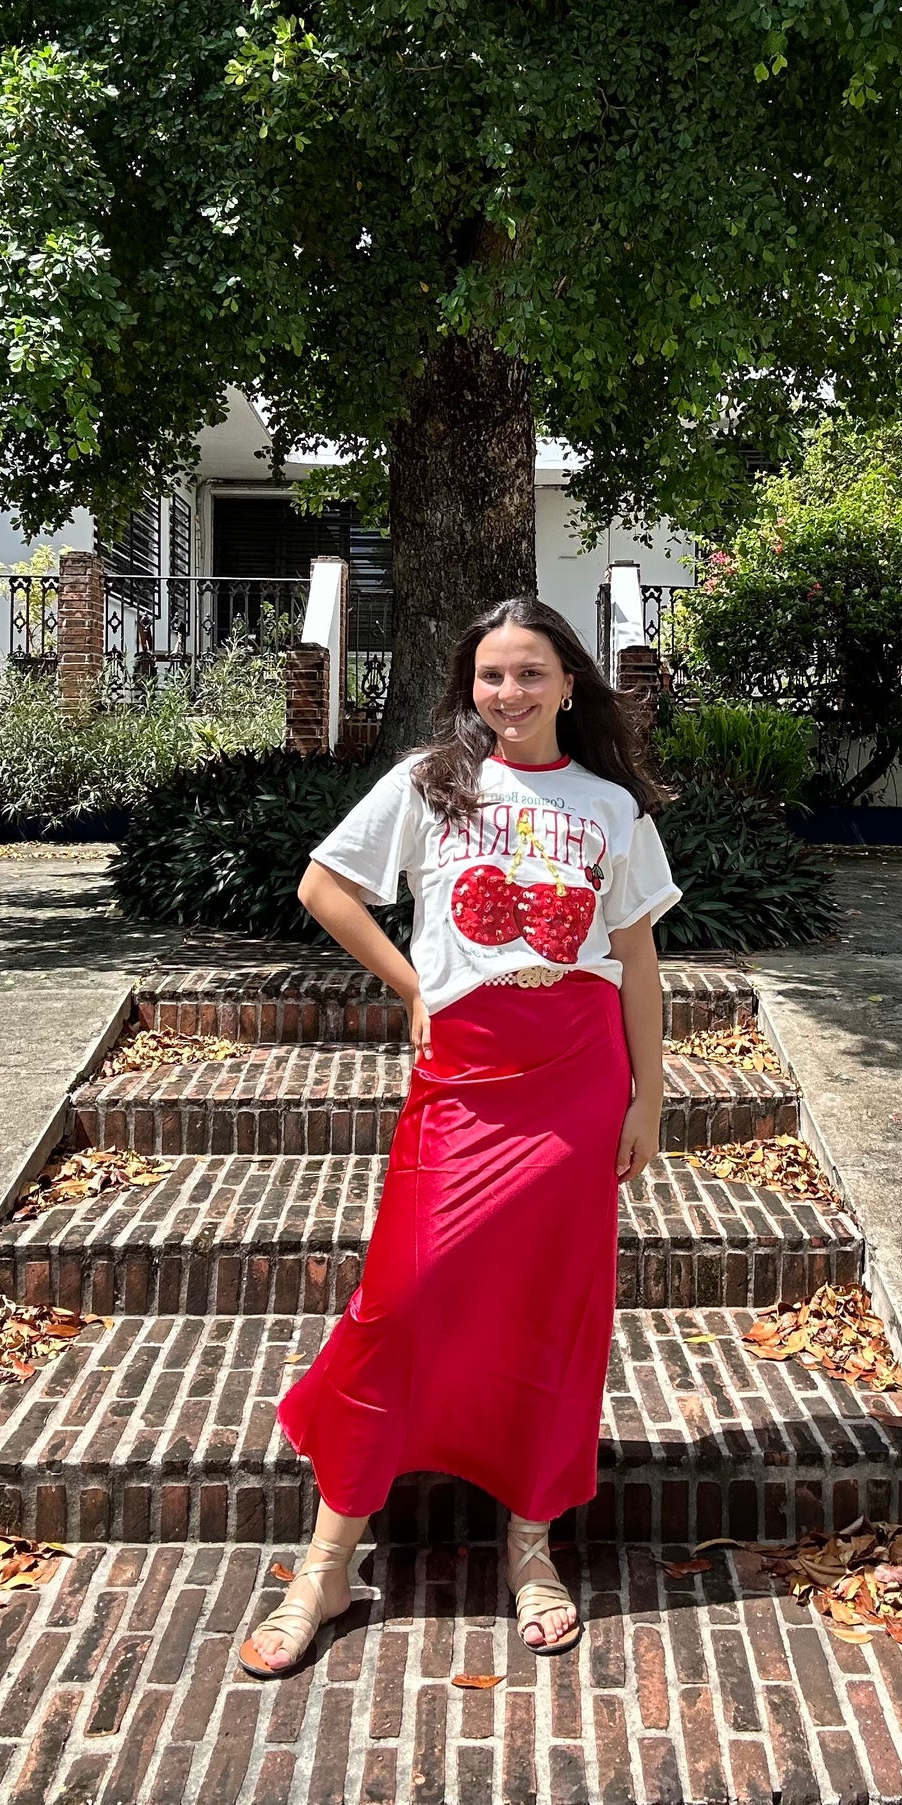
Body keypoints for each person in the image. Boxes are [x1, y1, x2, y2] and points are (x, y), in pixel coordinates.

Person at [238, 596, 680, 1675]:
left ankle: (529, 1545)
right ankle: (327, 1561)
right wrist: (410, 991)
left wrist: (648, 1096)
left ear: (569, 684)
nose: (510, 693)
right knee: (406, 1295)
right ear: (469, 687)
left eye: (531, 673)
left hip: (577, 1074)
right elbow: (324, 887)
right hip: (467, 1072)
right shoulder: (431, 782)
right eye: (491, 676)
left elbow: (635, 962)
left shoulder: (610, 807)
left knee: (553, 1307)